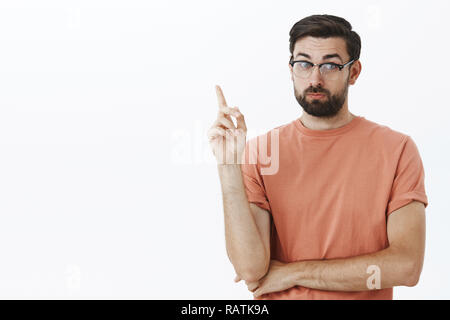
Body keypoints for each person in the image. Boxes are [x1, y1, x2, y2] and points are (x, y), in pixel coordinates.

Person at [207, 14, 428, 300]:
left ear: (354, 72)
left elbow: (406, 267)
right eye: (304, 63)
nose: (315, 78)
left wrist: (294, 273)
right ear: (291, 69)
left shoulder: (397, 150)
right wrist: (228, 166)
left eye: (330, 65)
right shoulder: (261, 152)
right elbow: (251, 270)